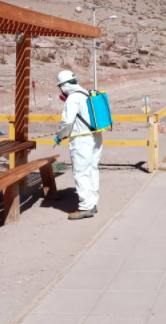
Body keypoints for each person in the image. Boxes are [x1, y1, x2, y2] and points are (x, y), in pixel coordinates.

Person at [55, 70, 103, 220]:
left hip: (82, 140)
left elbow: (67, 123)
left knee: (81, 172)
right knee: (92, 169)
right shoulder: (86, 94)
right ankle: (92, 202)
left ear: (63, 86)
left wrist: (59, 136)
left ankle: (84, 208)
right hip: (96, 137)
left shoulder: (73, 98)